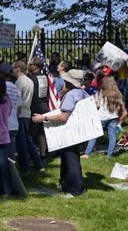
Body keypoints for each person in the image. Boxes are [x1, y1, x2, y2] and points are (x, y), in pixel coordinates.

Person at [33, 69, 88, 197]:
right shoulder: (82, 92)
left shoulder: (71, 95)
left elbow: (63, 117)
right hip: (78, 131)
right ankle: (66, 184)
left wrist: (44, 118)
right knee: (66, 158)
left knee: (71, 159)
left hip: (69, 132)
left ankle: (76, 189)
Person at [11, 61, 43, 173]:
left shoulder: (19, 82)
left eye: (13, 68)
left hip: (20, 113)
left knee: (21, 142)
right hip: (27, 111)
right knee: (27, 141)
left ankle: (24, 167)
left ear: (18, 69)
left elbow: (16, 100)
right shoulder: (29, 80)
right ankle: (38, 163)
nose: (12, 70)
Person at [83, 76, 127, 158]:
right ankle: (109, 155)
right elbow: (121, 107)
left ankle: (87, 153)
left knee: (94, 135)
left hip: (102, 117)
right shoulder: (118, 93)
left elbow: (98, 105)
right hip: (113, 117)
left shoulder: (101, 92)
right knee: (112, 137)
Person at [27, 58, 50, 159]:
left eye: (30, 64)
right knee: (42, 133)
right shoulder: (45, 77)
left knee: (31, 134)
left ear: (35, 67)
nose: (28, 66)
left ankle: (32, 156)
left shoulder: (31, 79)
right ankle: (42, 155)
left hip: (34, 107)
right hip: (44, 107)